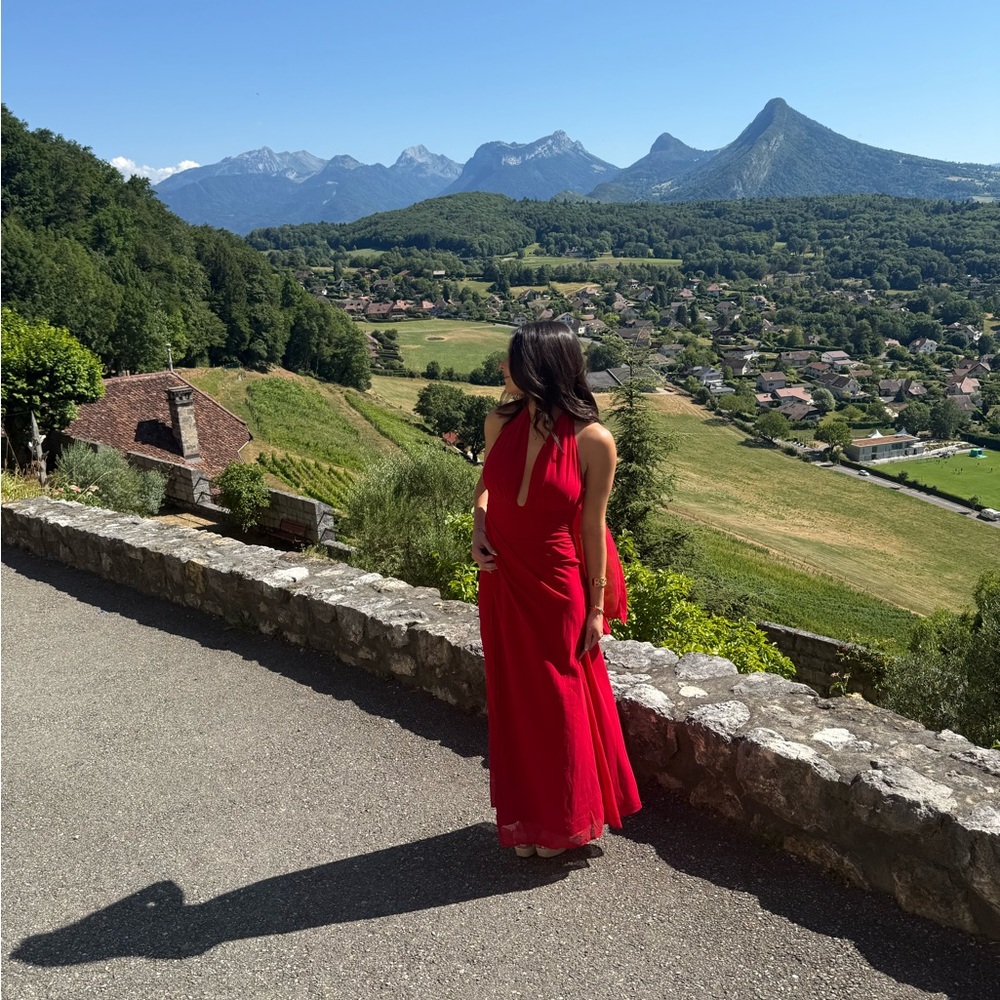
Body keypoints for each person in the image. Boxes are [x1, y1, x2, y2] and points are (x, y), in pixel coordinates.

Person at [472, 321, 641, 859]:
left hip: (557, 585)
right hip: (501, 577)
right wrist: (478, 526)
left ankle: (563, 821)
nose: (504, 368)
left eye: (514, 360)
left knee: (557, 701)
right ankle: (526, 817)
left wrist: (596, 607)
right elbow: (486, 487)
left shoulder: (594, 440)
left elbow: (593, 527)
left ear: (541, 368)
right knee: (514, 699)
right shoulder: (498, 421)